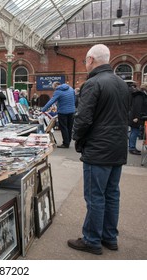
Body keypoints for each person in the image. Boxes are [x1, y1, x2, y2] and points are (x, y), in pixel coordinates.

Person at [68, 44, 129, 255]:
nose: (85, 65)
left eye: (86, 61)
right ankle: (109, 237)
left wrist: (77, 139)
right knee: (112, 194)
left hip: (98, 150)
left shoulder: (93, 83)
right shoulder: (122, 84)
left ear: (91, 59)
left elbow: (83, 119)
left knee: (95, 196)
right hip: (117, 148)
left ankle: (92, 240)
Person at [41, 81, 75, 148]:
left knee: (63, 127)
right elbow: (74, 99)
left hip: (63, 112)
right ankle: (68, 141)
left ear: (55, 86)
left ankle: (65, 143)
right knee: (69, 127)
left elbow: (51, 101)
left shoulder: (58, 91)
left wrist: (43, 110)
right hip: (72, 111)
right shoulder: (71, 89)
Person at [128, 83, 147, 155]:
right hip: (136, 117)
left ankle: (132, 147)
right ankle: (132, 148)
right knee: (134, 132)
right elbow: (137, 107)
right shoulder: (140, 95)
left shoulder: (141, 94)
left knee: (135, 131)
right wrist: (136, 117)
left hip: (137, 116)